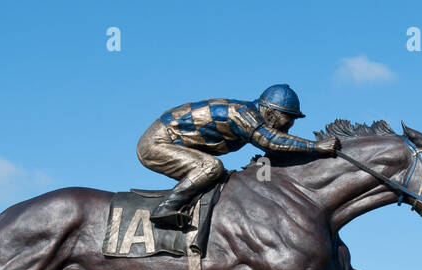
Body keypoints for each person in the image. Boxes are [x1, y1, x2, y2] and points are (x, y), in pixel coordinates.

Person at [137, 84, 339, 227]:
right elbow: (271, 141)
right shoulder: (243, 115)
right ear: (269, 112)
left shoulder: (250, 115)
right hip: (157, 144)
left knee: (220, 176)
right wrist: (315, 147)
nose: (288, 127)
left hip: (172, 140)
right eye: (287, 120)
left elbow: (273, 145)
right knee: (211, 167)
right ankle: (165, 209)